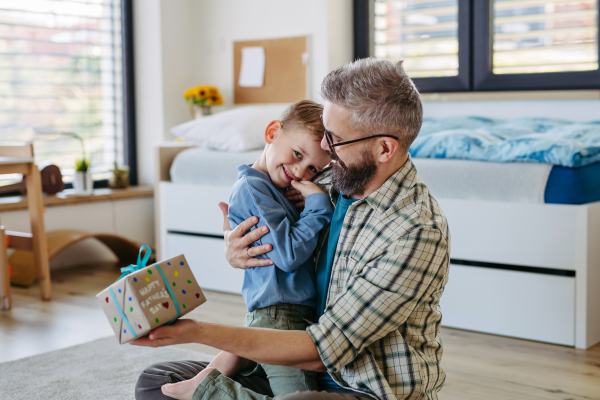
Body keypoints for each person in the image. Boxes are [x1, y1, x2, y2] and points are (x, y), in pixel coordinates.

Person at [133, 58, 450, 400]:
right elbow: (259, 219)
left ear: (384, 148)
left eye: (335, 137)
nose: (324, 149)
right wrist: (234, 244)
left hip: (357, 386)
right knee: (156, 381)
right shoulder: (326, 178)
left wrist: (198, 332)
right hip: (288, 348)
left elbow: (319, 352)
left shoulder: (415, 230)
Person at [185, 100, 333, 397]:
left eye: (312, 169)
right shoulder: (253, 188)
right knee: (298, 395)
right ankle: (205, 390)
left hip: (283, 313)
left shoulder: (276, 189)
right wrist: (319, 207)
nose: (300, 172)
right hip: (280, 316)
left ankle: (202, 382)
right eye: (297, 154)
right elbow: (288, 256)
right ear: (272, 132)